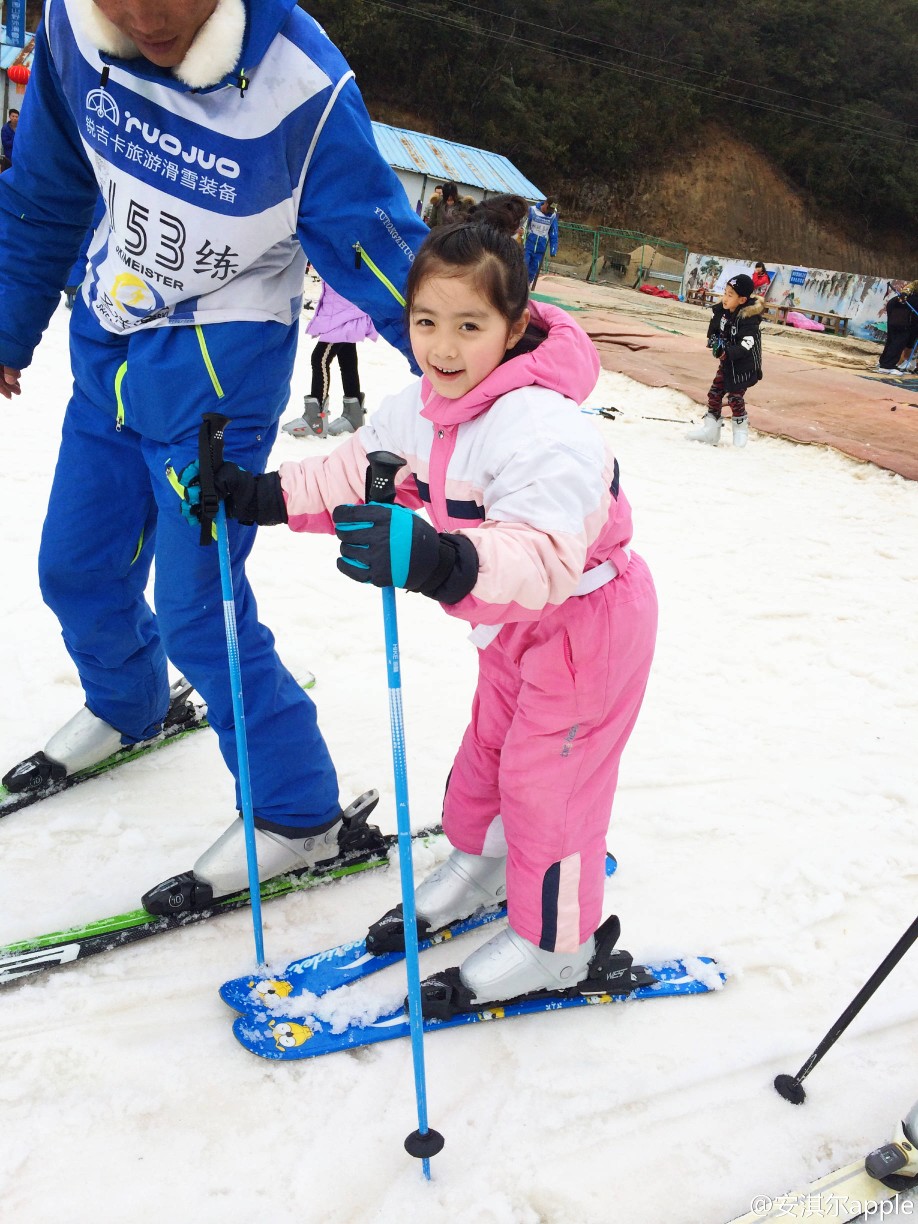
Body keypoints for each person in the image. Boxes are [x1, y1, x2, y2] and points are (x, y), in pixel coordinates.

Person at [0, 0, 429, 914]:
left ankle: (296, 811)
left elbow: (385, 254)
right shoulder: (72, 30)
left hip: (214, 387)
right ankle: (128, 702)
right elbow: (46, 191)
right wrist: (7, 323)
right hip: (109, 348)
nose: (147, 17)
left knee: (198, 611)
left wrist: (503, 376)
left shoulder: (301, 88)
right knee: (74, 568)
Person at [181, 194, 659, 1011]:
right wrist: (252, 494)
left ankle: (560, 946)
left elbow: (544, 557)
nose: (442, 346)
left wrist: (439, 559)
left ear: (514, 329)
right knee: (485, 761)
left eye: (469, 326)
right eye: (425, 321)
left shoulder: (545, 429)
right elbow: (345, 474)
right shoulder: (424, 407)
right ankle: (481, 864)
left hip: (587, 626)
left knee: (553, 785)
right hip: (507, 631)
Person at [281, 280, 378, 438]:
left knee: (320, 358)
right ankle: (353, 416)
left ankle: (315, 419)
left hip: (344, 309)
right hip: (343, 306)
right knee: (347, 358)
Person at [687, 272, 764, 448]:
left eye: (730, 295)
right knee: (714, 393)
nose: (725, 299)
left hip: (744, 366)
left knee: (735, 397)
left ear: (742, 300)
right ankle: (711, 430)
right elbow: (713, 330)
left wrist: (727, 352)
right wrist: (715, 342)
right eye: (725, 293)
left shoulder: (748, 319)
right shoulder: (722, 312)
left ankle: (740, 430)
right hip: (727, 363)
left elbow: (746, 345)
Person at [874, 282, 918, 375]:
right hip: (903, 305)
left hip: (898, 304)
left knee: (895, 335)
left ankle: (884, 362)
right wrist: (905, 293)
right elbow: (912, 286)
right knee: (900, 335)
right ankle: (887, 366)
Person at [524, 198, 558, 286]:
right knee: (524, 264)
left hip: (540, 248)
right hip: (528, 245)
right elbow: (524, 225)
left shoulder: (553, 215)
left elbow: (553, 233)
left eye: (552, 210)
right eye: (549, 209)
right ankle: (518, 285)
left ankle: (527, 286)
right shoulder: (532, 210)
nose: (549, 212)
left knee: (534, 268)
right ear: (545, 203)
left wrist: (553, 250)